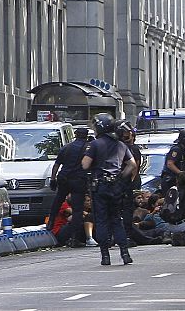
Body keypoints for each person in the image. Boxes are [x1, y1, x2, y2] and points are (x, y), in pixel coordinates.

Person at [82, 113, 138, 266]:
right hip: (115, 187)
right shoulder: (121, 145)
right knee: (116, 219)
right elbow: (132, 165)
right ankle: (125, 253)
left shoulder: (95, 144)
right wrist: (120, 177)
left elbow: (85, 165)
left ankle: (105, 256)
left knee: (101, 220)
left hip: (100, 187)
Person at [47, 128, 89, 247]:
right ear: (85, 136)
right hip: (78, 180)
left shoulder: (66, 147)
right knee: (77, 209)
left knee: (58, 200)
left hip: (64, 177)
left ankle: (51, 221)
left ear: (75, 135)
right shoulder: (88, 148)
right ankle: (74, 238)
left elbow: (56, 165)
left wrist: (53, 179)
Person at [116, 120, 143, 246]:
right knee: (126, 210)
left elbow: (134, 168)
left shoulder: (128, 148)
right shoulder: (126, 148)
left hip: (123, 183)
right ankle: (126, 235)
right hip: (125, 183)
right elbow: (134, 167)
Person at [161, 128, 185, 194]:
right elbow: (170, 164)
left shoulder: (183, 150)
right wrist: (180, 173)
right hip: (170, 181)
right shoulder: (176, 149)